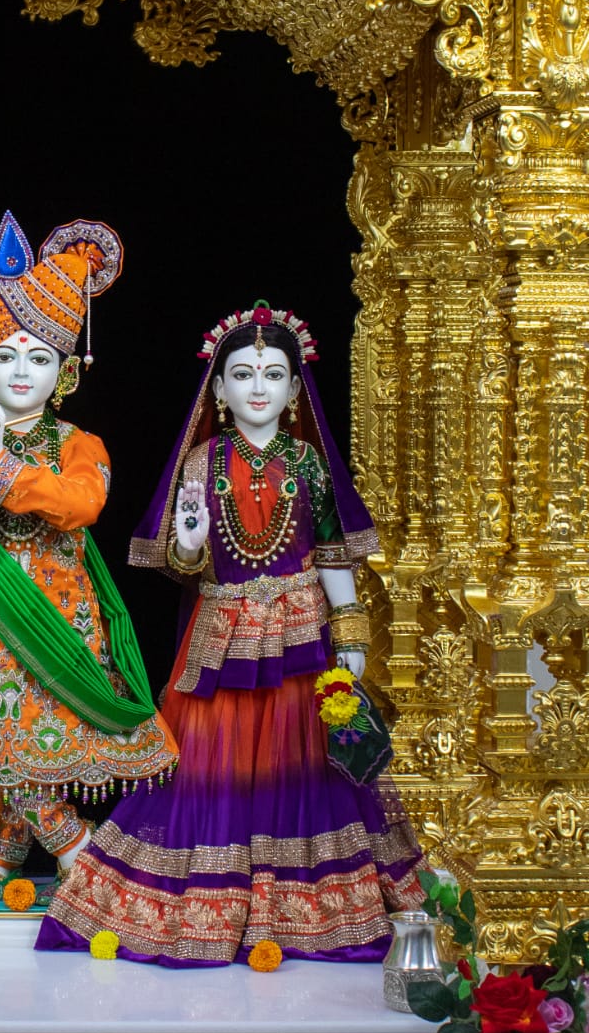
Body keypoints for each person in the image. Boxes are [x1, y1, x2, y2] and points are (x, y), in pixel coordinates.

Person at [37, 300, 425, 964]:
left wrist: (353, 633)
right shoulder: (200, 465)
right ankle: (203, 909)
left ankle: (301, 913)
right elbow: (186, 562)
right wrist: (189, 538)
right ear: (218, 390)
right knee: (207, 764)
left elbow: (332, 553)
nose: (258, 388)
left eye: (273, 375)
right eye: (243, 374)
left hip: (302, 637)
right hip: (222, 636)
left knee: (301, 764)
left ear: (295, 391)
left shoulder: (309, 465)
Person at [0, 201, 177, 904]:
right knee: (7, 741)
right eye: (4, 356)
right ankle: (33, 863)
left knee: (33, 743)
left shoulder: (82, 444)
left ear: (66, 371)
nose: (21, 371)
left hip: (60, 621)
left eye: (40, 357)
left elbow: (82, 506)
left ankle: (63, 857)